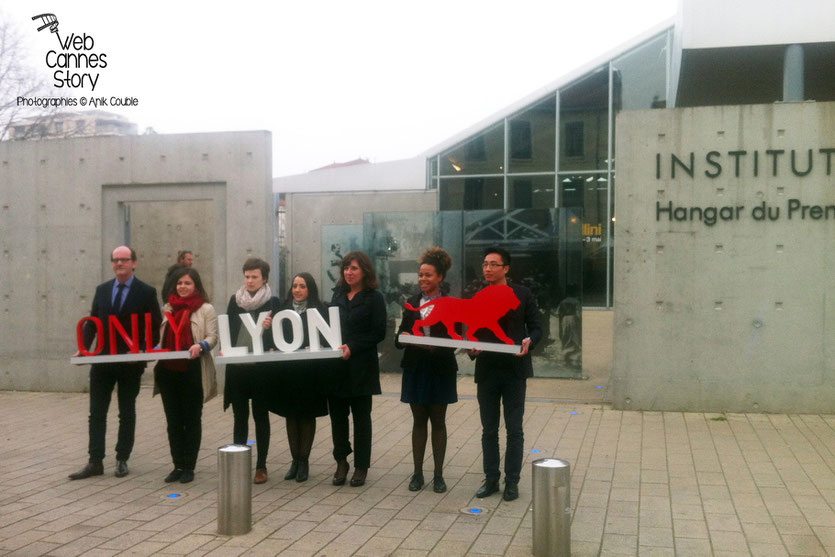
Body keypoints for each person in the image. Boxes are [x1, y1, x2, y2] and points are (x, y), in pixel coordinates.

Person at [70, 246, 162, 480]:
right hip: (102, 360)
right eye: (116, 260)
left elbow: (155, 324)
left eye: (124, 260)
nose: (119, 263)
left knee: (126, 411)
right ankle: (95, 461)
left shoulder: (146, 292)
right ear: (112, 264)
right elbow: (92, 322)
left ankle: (122, 458)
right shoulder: (102, 290)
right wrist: (84, 348)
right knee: (96, 412)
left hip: (130, 362)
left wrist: (144, 348)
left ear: (134, 263)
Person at [470, 246, 542, 502]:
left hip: (514, 371)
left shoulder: (522, 294)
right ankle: (491, 479)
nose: (488, 269)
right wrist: (473, 348)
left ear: (506, 269)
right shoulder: (479, 296)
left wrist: (528, 342)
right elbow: (473, 332)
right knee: (489, 429)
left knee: (514, 429)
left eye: (493, 264)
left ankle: (512, 481)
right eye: (485, 264)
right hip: (487, 370)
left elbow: (536, 328)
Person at [395, 247, 458, 493]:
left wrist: (434, 348)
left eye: (428, 275)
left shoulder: (450, 303)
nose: (423, 279)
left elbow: (455, 339)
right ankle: (417, 474)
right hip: (416, 368)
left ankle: (439, 475)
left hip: (440, 368)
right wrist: (406, 338)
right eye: (421, 275)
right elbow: (398, 338)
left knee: (439, 421)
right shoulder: (411, 302)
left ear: (440, 277)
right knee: (419, 421)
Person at [264, 273, 330, 482]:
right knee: (291, 415)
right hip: (289, 371)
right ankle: (294, 461)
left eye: (302, 286)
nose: (298, 290)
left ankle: (304, 461)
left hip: (311, 371)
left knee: (307, 415)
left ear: (310, 289)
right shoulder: (281, 310)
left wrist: (319, 346)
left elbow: (329, 339)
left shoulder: (320, 310)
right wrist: (266, 326)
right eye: (295, 286)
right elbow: (271, 341)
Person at [155, 267, 218, 484]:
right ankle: (177, 465)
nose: (182, 287)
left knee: (191, 420)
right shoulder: (167, 308)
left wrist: (200, 345)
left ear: (196, 286)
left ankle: (189, 466)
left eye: (187, 283)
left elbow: (212, 337)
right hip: (167, 372)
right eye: (179, 283)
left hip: (192, 372)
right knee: (173, 421)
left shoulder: (206, 309)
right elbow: (159, 337)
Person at [329, 251, 386, 487]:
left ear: (364, 271)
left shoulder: (374, 298)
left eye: (354, 268)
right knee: (338, 418)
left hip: (362, 366)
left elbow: (378, 333)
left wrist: (353, 347)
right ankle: (341, 461)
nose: (349, 273)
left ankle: (361, 466)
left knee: (362, 418)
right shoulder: (337, 295)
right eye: (346, 268)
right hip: (337, 367)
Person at [223, 258, 280, 484]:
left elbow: (281, 336)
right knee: (240, 417)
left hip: (262, 370)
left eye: (254, 277)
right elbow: (228, 330)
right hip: (238, 369)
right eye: (247, 276)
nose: (250, 281)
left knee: (261, 416)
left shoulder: (273, 302)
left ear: (264, 278)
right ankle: (239, 464)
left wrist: (271, 327)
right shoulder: (234, 301)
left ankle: (261, 466)